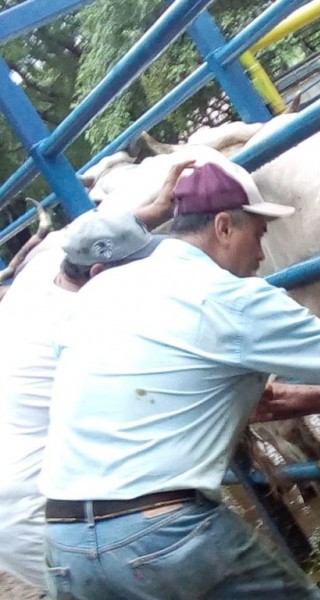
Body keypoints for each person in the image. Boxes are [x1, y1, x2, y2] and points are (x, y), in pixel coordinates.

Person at [38, 158, 320, 599]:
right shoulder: (231, 299)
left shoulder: (99, 293)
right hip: (162, 537)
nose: (262, 255)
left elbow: (214, 399)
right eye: (259, 235)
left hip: (65, 547)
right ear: (224, 226)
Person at [0, 160, 192, 591]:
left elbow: (87, 237)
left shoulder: (45, 269)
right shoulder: (86, 329)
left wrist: (157, 209)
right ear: (101, 276)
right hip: (42, 513)